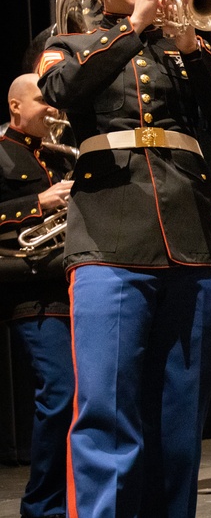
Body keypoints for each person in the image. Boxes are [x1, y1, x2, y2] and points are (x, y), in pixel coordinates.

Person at [36, 0, 211, 517]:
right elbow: (62, 90)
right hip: (110, 242)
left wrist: (192, 45)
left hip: (193, 242)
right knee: (107, 412)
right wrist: (131, 30)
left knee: (180, 421)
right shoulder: (73, 43)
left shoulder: (182, 53)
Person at [1, 74, 74, 518]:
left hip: (75, 288)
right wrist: (38, 204)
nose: (53, 109)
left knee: (87, 400)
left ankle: (71, 500)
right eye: (43, 101)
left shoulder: (64, 155)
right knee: (62, 394)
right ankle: (42, 507)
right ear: (14, 106)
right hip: (30, 292)